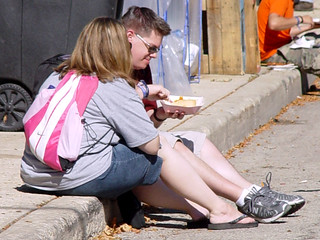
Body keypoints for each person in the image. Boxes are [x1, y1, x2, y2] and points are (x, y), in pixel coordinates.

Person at [20, 17, 262, 231]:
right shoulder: (111, 84)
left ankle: (197, 208)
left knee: (140, 148)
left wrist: (145, 99)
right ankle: (220, 210)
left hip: (35, 174)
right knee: (161, 147)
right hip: (77, 174)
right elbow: (150, 145)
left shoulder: (60, 73)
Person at [120, 6, 305, 225]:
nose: (153, 55)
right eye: (151, 48)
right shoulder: (109, 64)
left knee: (198, 140)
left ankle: (251, 192)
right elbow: (116, 105)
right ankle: (242, 198)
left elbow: (142, 123)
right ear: (130, 35)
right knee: (171, 144)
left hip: (137, 142)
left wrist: (160, 114)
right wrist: (144, 91)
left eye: (156, 50)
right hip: (122, 151)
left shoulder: (140, 65)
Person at [258, 0, 320, 75]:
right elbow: (274, 24)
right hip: (272, 54)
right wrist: (300, 19)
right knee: (315, 57)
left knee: (315, 38)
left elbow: (284, 32)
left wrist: (310, 26)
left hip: (280, 46)